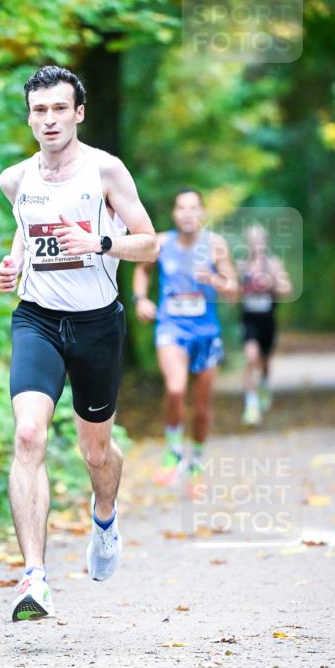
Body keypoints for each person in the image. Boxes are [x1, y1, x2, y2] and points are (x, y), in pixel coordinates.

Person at [0, 65, 158, 622]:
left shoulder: (105, 171)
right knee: (27, 433)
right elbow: (25, 226)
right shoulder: (14, 179)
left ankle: (105, 516)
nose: (49, 120)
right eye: (39, 110)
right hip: (37, 320)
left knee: (95, 453)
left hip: (96, 326)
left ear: (78, 113)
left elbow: (150, 243)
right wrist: (12, 262)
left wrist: (101, 240)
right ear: (30, 116)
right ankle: (34, 578)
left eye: (59, 109)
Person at [132, 188, 238, 497]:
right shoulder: (161, 243)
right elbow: (142, 270)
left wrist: (215, 281)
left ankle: (197, 463)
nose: (188, 213)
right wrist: (140, 300)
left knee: (203, 405)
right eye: (182, 208)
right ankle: (174, 452)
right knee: (176, 388)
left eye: (194, 208)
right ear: (174, 214)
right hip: (171, 327)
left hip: (206, 333)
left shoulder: (216, 246)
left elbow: (233, 290)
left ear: (202, 213)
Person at [239, 223, 292, 425]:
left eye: (259, 240)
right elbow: (232, 292)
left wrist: (273, 283)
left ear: (265, 242)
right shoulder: (242, 265)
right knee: (252, 358)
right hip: (248, 318)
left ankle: (264, 385)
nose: (256, 244)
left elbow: (287, 289)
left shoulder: (274, 264)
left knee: (265, 360)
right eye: (252, 241)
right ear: (248, 243)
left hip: (267, 318)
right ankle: (251, 406)